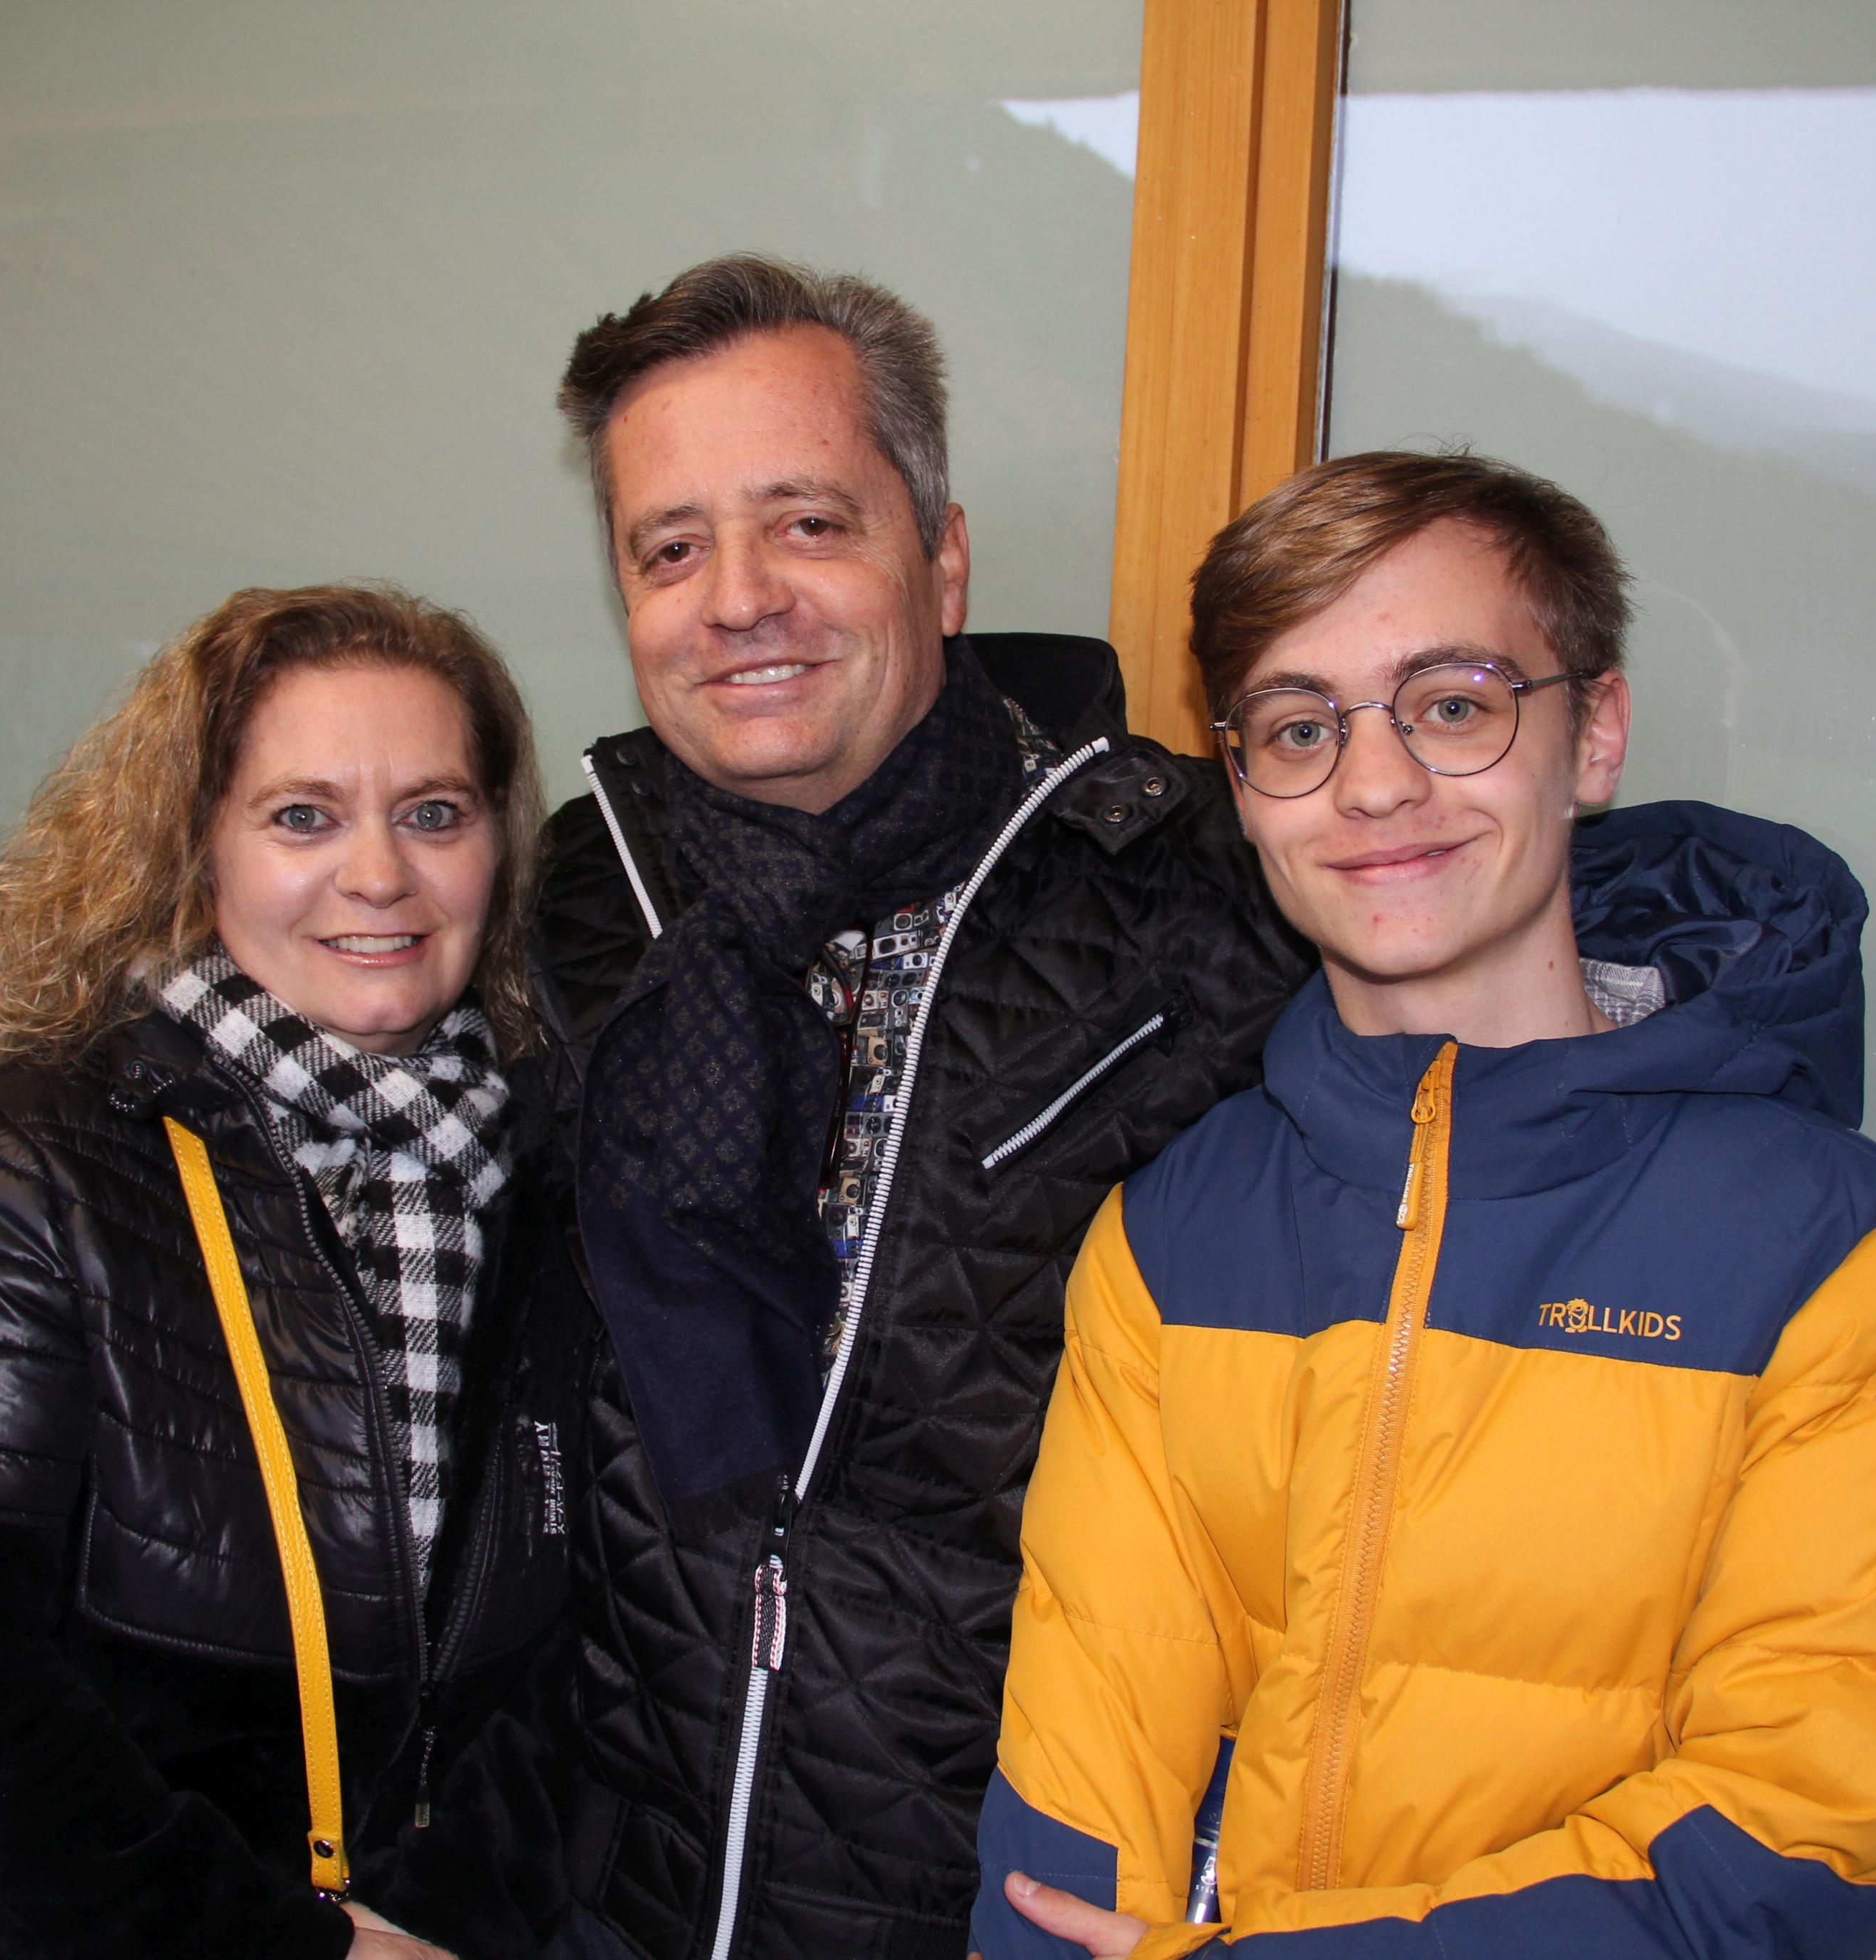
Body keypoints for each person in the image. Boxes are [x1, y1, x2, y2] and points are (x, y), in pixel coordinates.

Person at [974, 452, 1876, 1960]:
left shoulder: (1847, 1261)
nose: (1374, 784)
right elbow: (1078, 1784)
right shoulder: (1173, 1234)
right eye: (1298, 727)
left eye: (1454, 704)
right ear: (1243, 791)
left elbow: (1806, 1848)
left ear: (1592, 734)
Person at [502, 255, 1315, 1959]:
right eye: (669, 548)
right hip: (612, 1896)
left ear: (940, 560)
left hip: (1015, 1905)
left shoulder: (1213, 897)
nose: (737, 600)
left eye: (806, 524)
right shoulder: (566, 900)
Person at [0, 584, 576, 1960]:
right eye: (303, 816)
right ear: (196, 848)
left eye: (434, 812)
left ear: (498, 844)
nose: (379, 873)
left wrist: (440, 1917)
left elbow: (560, 1657)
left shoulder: (542, 1176)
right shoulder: (31, 1157)